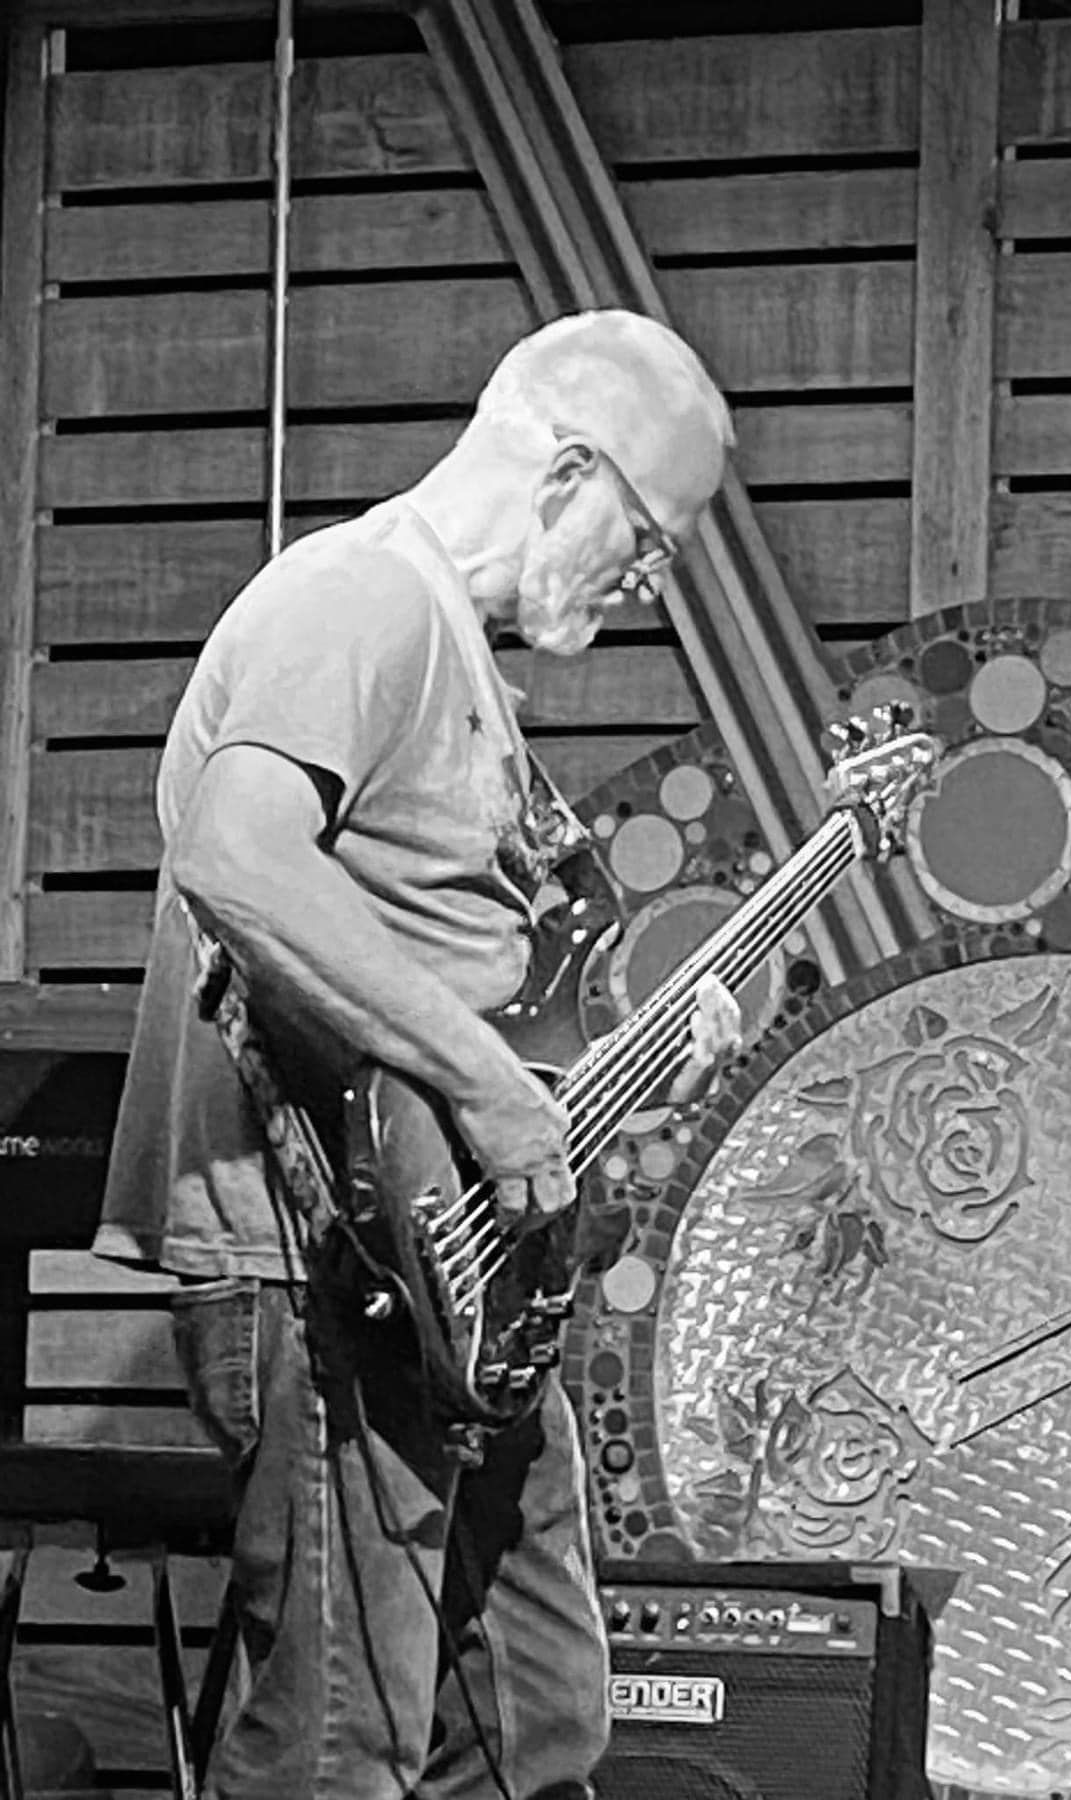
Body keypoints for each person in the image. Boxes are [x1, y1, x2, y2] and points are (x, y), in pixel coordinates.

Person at [93, 309, 740, 1800]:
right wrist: (484, 1085)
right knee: (339, 1746)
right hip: (324, 1264)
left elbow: (463, 1000)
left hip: (447, 1273)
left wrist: (612, 1071)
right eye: (650, 538)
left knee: (531, 1720)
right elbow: (237, 858)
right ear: (569, 469)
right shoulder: (362, 600)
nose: (650, 582)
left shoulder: (458, 660)